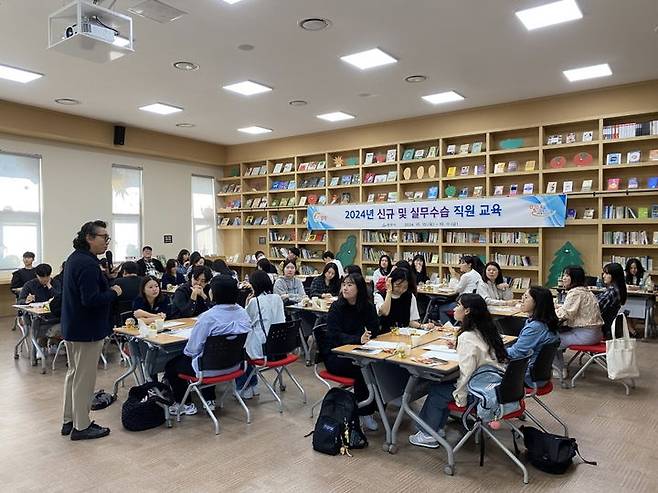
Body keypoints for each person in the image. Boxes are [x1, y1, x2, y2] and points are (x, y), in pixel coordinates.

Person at [409, 293, 508, 448]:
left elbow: (466, 374)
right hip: (493, 386)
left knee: (438, 389)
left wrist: (460, 397)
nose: (454, 309)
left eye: (458, 305)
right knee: (443, 386)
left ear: (467, 311)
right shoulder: (486, 329)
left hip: (478, 393)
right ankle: (436, 428)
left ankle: (428, 434)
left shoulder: (467, 336)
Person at [61, 220, 122, 440]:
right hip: (86, 330)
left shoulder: (75, 259)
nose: (107, 242)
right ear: (89, 238)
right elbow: (91, 299)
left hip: (74, 327)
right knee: (84, 379)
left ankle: (69, 420)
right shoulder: (87, 264)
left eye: (108, 238)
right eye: (103, 237)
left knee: (74, 375)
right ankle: (82, 426)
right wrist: (114, 291)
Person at [164, 275, 251, 416]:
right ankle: (209, 399)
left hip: (208, 369)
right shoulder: (243, 313)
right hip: (235, 365)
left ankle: (184, 404)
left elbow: (191, 350)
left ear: (215, 293)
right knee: (209, 356)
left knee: (172, 365)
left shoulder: (208, 317)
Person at [323, 273, 381, 431]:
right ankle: (364, 412)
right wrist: (357, 339)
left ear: (359, 288)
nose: (345, 288)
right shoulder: (336, 307)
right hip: (336, 355)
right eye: (344, 285)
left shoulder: (367, 306)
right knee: (363, 369)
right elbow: (334, 335)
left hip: (361, 350)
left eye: (349, 285)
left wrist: (369, 335)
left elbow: (375, 327)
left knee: (380, 366)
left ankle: (376, 405)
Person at [238, 270, 286, 398]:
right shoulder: (277, 298)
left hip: (263, 349)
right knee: (247, 347)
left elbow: (245, 320)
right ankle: (254, 385)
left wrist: (247, 303)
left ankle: (244, 387)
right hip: (280, 348)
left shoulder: (255, 302)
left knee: (240, 349)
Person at [554, 266, 604, 378]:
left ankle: (559, 370)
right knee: (555, 335)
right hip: (595, 333)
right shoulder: (585, 291)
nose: (563, 278)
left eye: (567, 276)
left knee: (549, 339)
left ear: (574, 278)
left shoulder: (575, 293)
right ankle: (559, 367)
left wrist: (547, 310)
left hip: (585, 335)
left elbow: (565, 314)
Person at [506, 286, 560, 386]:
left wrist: (494, 350)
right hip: (540, 376)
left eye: (526, 297)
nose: (521, 300)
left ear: (537, 302)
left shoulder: (535, 327)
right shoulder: (547, 322)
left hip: (527, 377)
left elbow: (516, 354)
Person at [438, 255, 482, 323]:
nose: (460, 265)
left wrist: (453, 276)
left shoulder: (466, 276)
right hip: (472, 303)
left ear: (469, 265)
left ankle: (449, 328)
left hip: (464, 302)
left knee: (441, 308)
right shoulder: (476, 273)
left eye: (462, 263)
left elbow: (457, 289)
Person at [597, 262, 628, 338]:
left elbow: (596, 307)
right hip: (607, 327)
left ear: (614, 275)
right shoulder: (618, 289)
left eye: (606, 274)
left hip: (601, 329)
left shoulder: (612, 291)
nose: (603, 276)